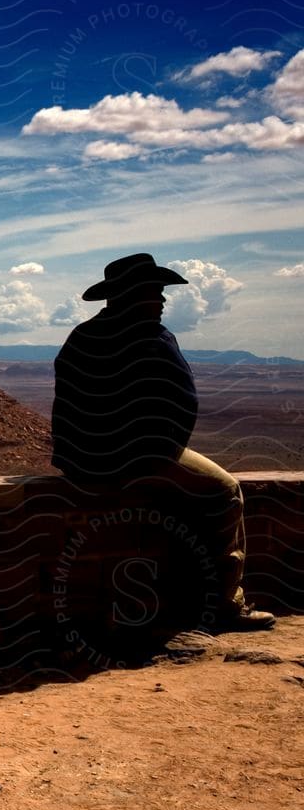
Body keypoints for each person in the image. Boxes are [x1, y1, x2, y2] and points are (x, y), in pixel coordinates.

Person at [51, 252, 273, 632]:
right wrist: (161, 455)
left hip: (83, 461)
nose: (163, 300)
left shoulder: (83, 335)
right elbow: (180, 399)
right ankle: (225, 605)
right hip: (139, 458)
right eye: (156, 291)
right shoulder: (150, 334)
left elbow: (68, 403)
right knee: (225, 491)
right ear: (134, 294)